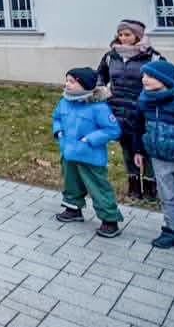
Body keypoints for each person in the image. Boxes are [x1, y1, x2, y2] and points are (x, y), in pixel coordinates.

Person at [132, 61, 174, 255]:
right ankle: (171, 232)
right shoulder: (144, 100)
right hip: (159, 158)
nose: (144, 79)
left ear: (165, 80)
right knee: (167, 196)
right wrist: (138, 150)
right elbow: (138, 127)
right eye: (144, 75)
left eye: (150, 76)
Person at [96, 19, 164, 200]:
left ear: (138, 36)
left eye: (128, 34)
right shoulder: (111, 56)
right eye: (120, 34)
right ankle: (133, 185)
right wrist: (102, 90)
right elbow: (100, 74)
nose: (123, 38)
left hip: (143, 109)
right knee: (126, 146)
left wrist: (152, 96)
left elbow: (164, 78)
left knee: (146, 147)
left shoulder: (152, 57)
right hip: (118, 108)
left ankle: (150, 187)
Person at [52, 67, 123, 238]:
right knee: (71, 183)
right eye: (66, 80)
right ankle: (73, 209)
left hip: (90, 156)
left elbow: (112, 130)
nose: (66, 84)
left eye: (71, 81)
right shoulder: (64, 101)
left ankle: (110, 220)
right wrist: (58, 130)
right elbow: (57, 117)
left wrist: (89, 139)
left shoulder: (98, 107)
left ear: (84, 85)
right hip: (69, 153)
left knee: (98, 187)